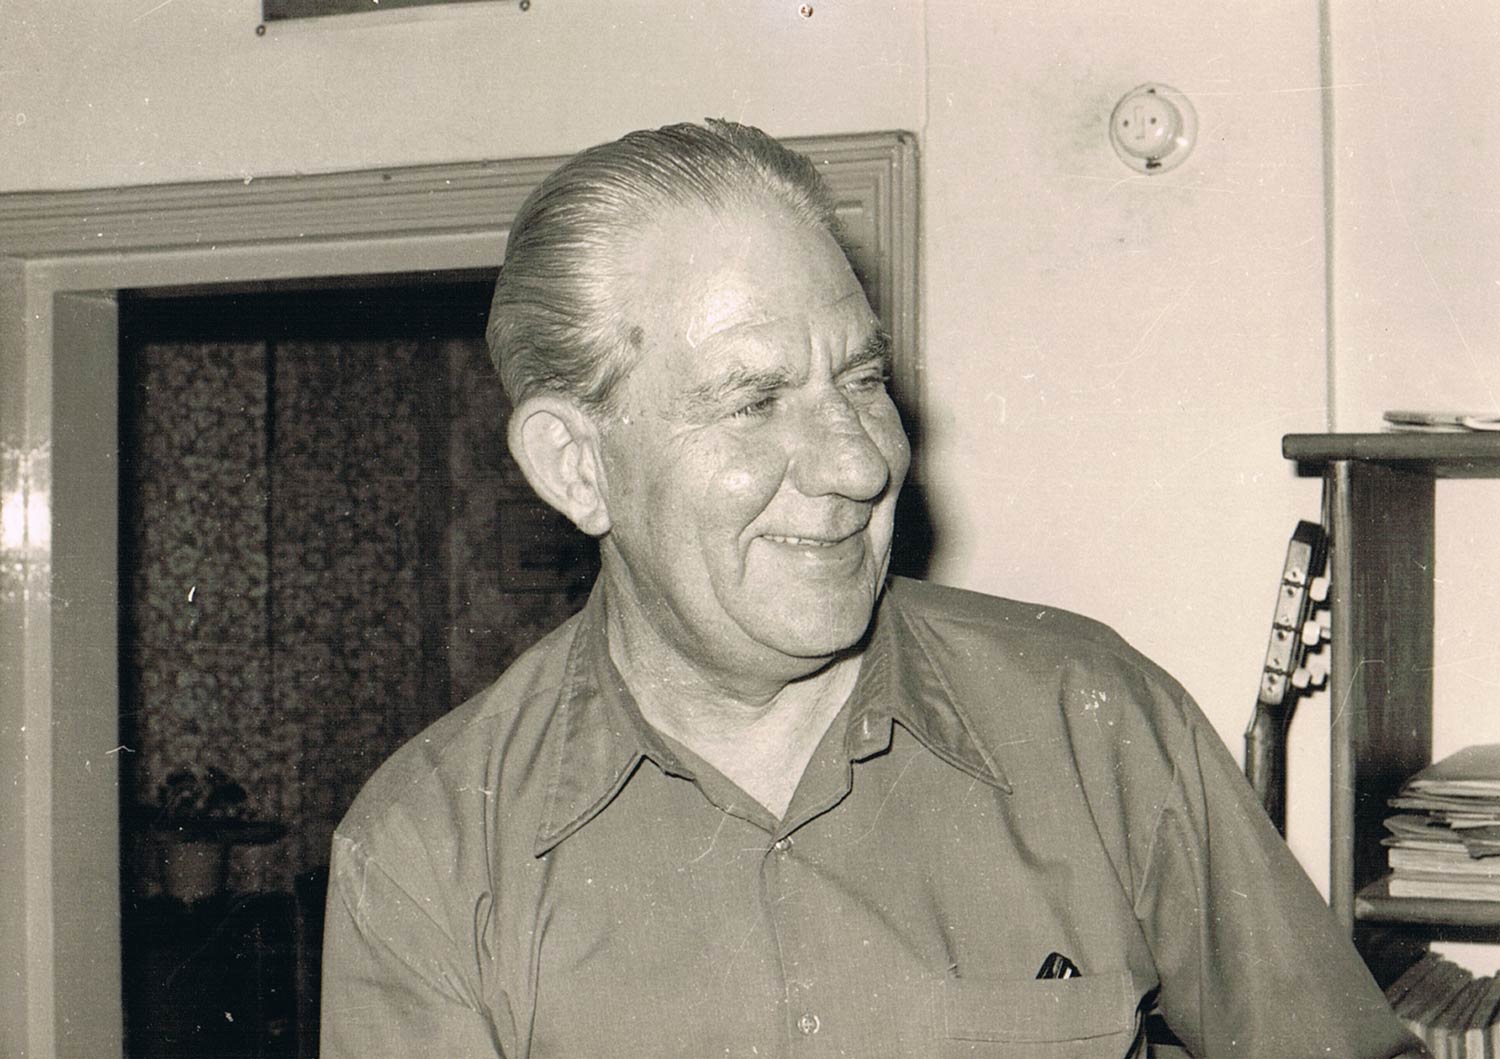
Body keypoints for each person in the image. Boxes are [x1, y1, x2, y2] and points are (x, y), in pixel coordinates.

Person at [319, 120, 1423, 1059]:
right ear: (576, 465)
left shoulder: (1094, 720)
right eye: (753, 402)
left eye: (861, 378)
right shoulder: (430, 853)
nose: (859, 463)